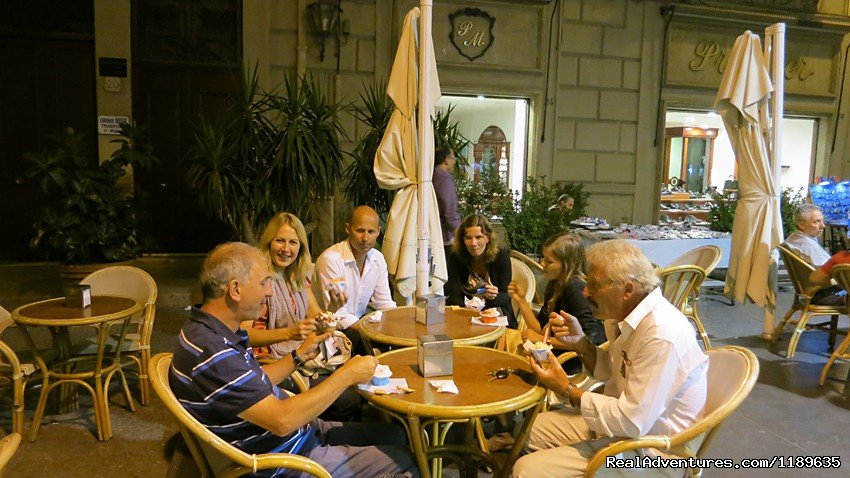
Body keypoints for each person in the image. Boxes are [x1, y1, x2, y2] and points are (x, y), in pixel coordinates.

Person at [170, 242, 418, 478]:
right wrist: (346, 376)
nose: (268, 291)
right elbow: (281, 420)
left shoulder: (209, 331)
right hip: (282, 461)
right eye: (264, 283)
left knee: (397, 433)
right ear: (235, 290)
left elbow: (254, 383)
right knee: (405, 459)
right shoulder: (213, 351)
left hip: (296, 435)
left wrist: (297, 356)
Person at [512, 240, 708, 478]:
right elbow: (613, 371)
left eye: (593, 285)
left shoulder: (660, 334)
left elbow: (632, 421)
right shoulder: (624, 316)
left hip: (652, 451)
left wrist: (567, 390)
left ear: (628, 290)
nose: (585, 292)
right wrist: (583, 345)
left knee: (526, 470)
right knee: (527, 429)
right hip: (623, 428)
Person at [254, 212, 360, 421]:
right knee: (348, 398)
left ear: (301, 247)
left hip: (303, 356)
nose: (286, 249)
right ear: (268, 243)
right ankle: (322, 442)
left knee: (356, 376)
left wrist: (334, 307)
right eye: (280, 241)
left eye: (293, 242)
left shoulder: (298, 277)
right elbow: (244, 334)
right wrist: (288, 333)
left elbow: (318, 319)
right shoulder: (258, 279)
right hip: (270, 365)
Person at [312, 206, 396, 353]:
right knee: (373, 346)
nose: (365, 238)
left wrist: (399, 325)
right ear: (348, 229)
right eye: (360, 231)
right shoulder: (330, 260)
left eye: (371, 232)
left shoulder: (377, 258)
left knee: (397, 342)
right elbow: (338, 313)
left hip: (357, 324)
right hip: (328, 329)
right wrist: (371, 332)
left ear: (378, 232)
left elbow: (384, 303)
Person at [508, 232, 604, 353]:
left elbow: (591, 341)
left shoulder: (575, 288)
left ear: (567, 265)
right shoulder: (555, 283)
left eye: (549, 261)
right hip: (549, 354)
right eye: (543, 258)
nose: (542, 264)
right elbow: (540, 328)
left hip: (572, 363)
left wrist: (545, 340)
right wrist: (521, 300)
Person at [445, 214, 515, 327]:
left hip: (495, 315)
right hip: (464, 314)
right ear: (462, 240)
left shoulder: (501, 257)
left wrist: (494, 296)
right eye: (468, 238)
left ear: (488, 238)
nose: (473, 243)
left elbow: (506, 297)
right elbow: (454, 295)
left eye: (478, 237)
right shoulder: (456, 257)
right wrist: (471, 307)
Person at [784, 203, 844, 305]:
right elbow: (833, 271)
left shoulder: (795, 239)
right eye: (817, 222)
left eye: (822, 221)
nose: (823, 226)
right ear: (801, 224)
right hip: (825, 294)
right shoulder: (806, 245)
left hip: (816, 292)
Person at [433, 146, 461, 258]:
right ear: (446, 160)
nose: (454, 162)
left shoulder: (432, 175)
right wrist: (459, 234)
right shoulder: (445, 180)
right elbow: (450, 212)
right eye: (453, 158)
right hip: (445, 237)